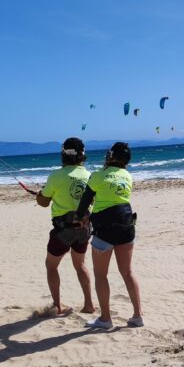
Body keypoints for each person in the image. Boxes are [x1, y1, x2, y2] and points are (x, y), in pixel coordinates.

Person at [75, 141, 143, 331]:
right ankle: (138, 315)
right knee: (127, 271)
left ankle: (106, 319)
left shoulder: (97, 176)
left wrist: (83, 217)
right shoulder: (128, 176)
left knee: (100, 275)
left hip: (105, 230)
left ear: (110, 157)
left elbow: (83, 206)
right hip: (126, 226)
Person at [35, 137, 95, 317]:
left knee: (51, 266)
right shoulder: (89, 175)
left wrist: (40, 194)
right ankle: (89, 304)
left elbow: (43, 202)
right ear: (82, 155)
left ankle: (57, 306)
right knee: (80, 264)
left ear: (63, 154)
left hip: (63, 231)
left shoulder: (56, 175)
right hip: (84, 229)